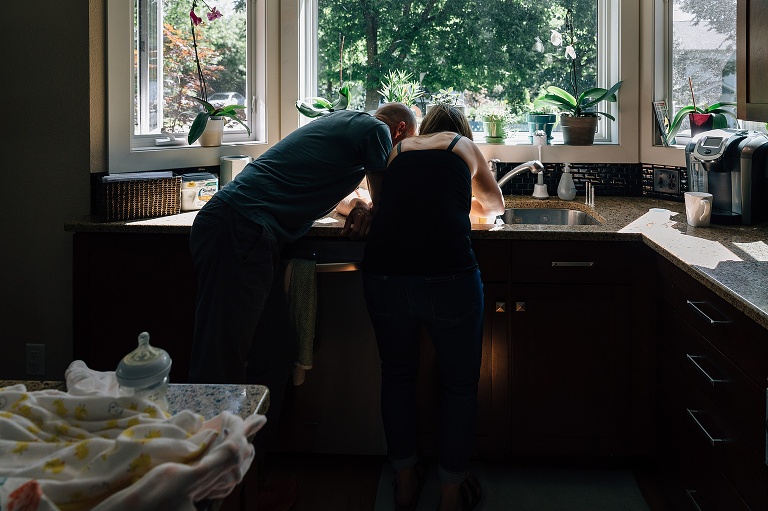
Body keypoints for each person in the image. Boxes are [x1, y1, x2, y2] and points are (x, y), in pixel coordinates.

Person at [188, 102, 417, 509]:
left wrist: (364, 205)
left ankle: (252, 483)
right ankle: (202, 495)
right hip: (241, 230)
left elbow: (357, 198)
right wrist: (376, 205)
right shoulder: (374, 130)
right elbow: (390, 200)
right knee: (218, 367)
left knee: (274, 354)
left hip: (245, 231)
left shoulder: (341, 125)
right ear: (399, 132)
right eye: (404, 149)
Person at [361, 104, 504, 511]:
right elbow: (494, 208)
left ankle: (405, 483)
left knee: (398, 377)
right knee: (458, 386)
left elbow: (385, 203)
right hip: (448, 276)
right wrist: (465, 204)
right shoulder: (465, 147)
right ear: (462, 132)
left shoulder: (399, 152)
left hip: (384, 274)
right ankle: (450, 494)